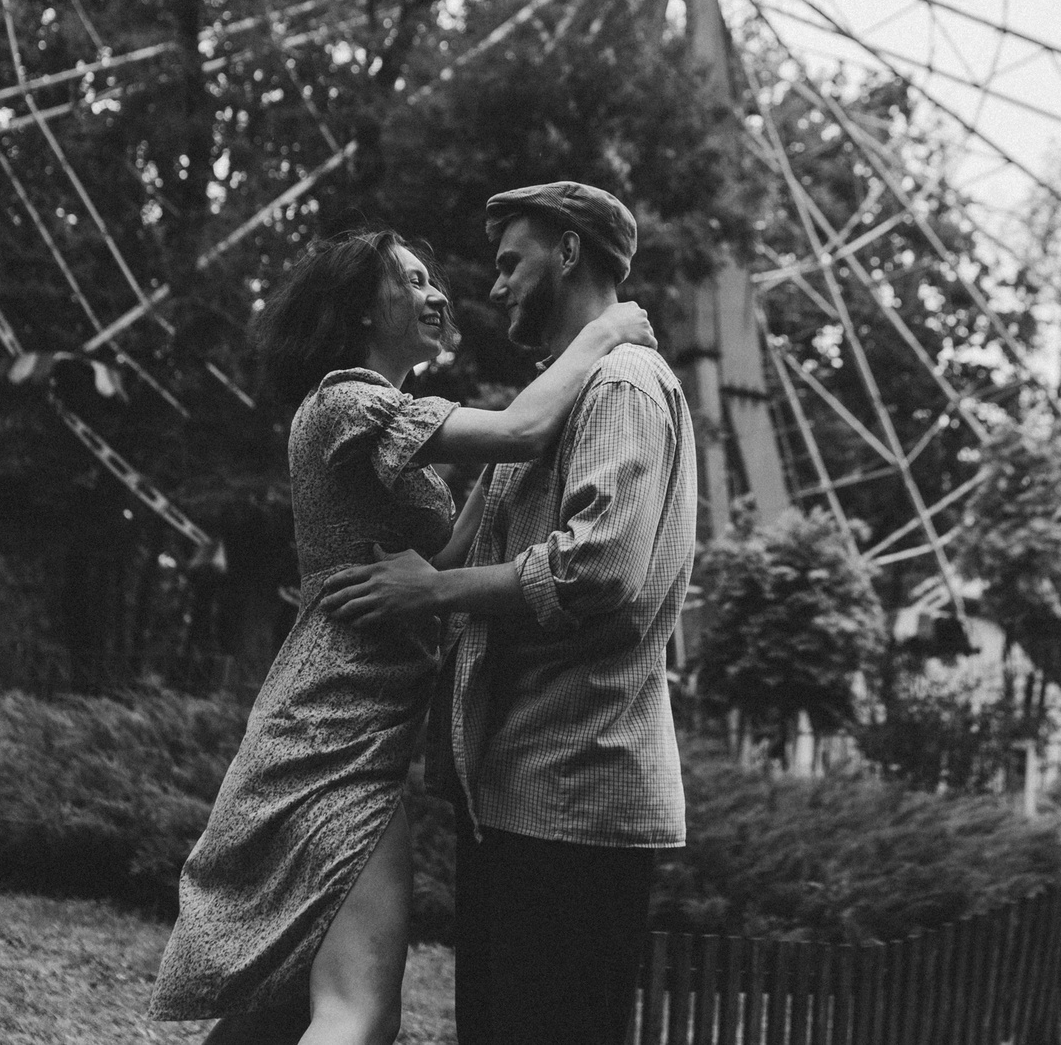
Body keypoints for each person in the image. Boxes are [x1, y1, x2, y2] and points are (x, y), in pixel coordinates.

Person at [150, 227, 656, 1045]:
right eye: (412, 280)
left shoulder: (389, 426)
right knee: (361, 1009)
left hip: (365, 719)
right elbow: (521, 431)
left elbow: (442, 560)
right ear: (358, 309)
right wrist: (604, 331)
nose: (439, 294)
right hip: (337, 724)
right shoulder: (347, 401)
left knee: (280, 1006)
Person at [318, 183, 697, 1045]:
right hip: (521, 790)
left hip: (577, 790)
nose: (492, 287)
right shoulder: (562, 396)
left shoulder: (621, 388)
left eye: (510, 262)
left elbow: (601, 567)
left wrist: (434, 593)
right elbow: (462, 542)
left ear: (568, 253)